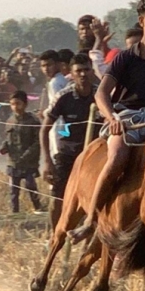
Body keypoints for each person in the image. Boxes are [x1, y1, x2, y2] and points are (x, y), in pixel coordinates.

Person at [70, 0, 145, 243]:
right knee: (118, 156)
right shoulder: (125, 58)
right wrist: (111, 118)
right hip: (126, 120)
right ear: (142, 20)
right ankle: (91, 221)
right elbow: (101, 94)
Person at [41, 54, 96, 223]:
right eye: (78, 71)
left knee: (97, 199)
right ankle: (54, 236)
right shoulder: (63, 97)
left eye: (86, 70)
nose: (83, 74)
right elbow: (44, 129)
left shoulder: (102, 95)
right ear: (71, 74)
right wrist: (47, 162)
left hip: (94, 156)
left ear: (92, 71)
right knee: (57, 199)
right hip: (67, 154)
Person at [1, 90, 44, 213]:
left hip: (29, 161)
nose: (15, 107)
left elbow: (38, 142)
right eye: (12, 104)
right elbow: (7, 139)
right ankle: (14, 212)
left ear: (25, 104)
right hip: (13, 161)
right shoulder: (10, 121)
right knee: (13, 190)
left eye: (18, 104)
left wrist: (27, 155)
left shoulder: (33, 121)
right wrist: (4, 147)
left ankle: (38, 209)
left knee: (31, 186)